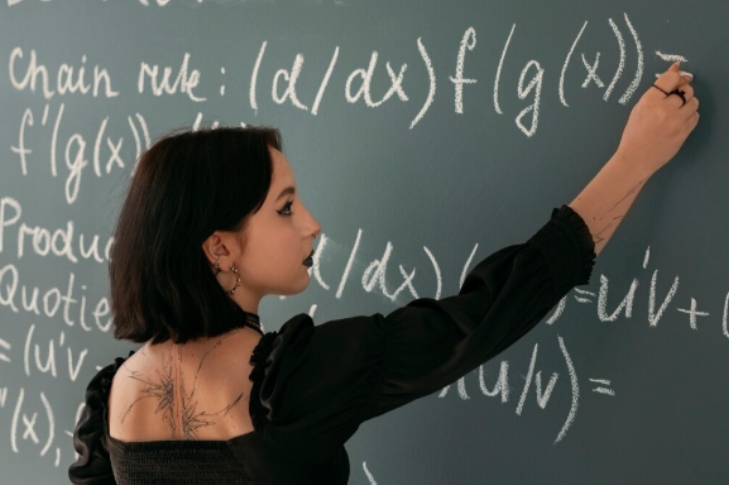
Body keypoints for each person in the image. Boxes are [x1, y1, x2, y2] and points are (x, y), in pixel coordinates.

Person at [68, 62, 698, 484]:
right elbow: (485, 315)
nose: (312, 224)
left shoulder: (114, 395)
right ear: (220, 249)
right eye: (285, 208)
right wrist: (633, 161)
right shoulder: (297, 380)